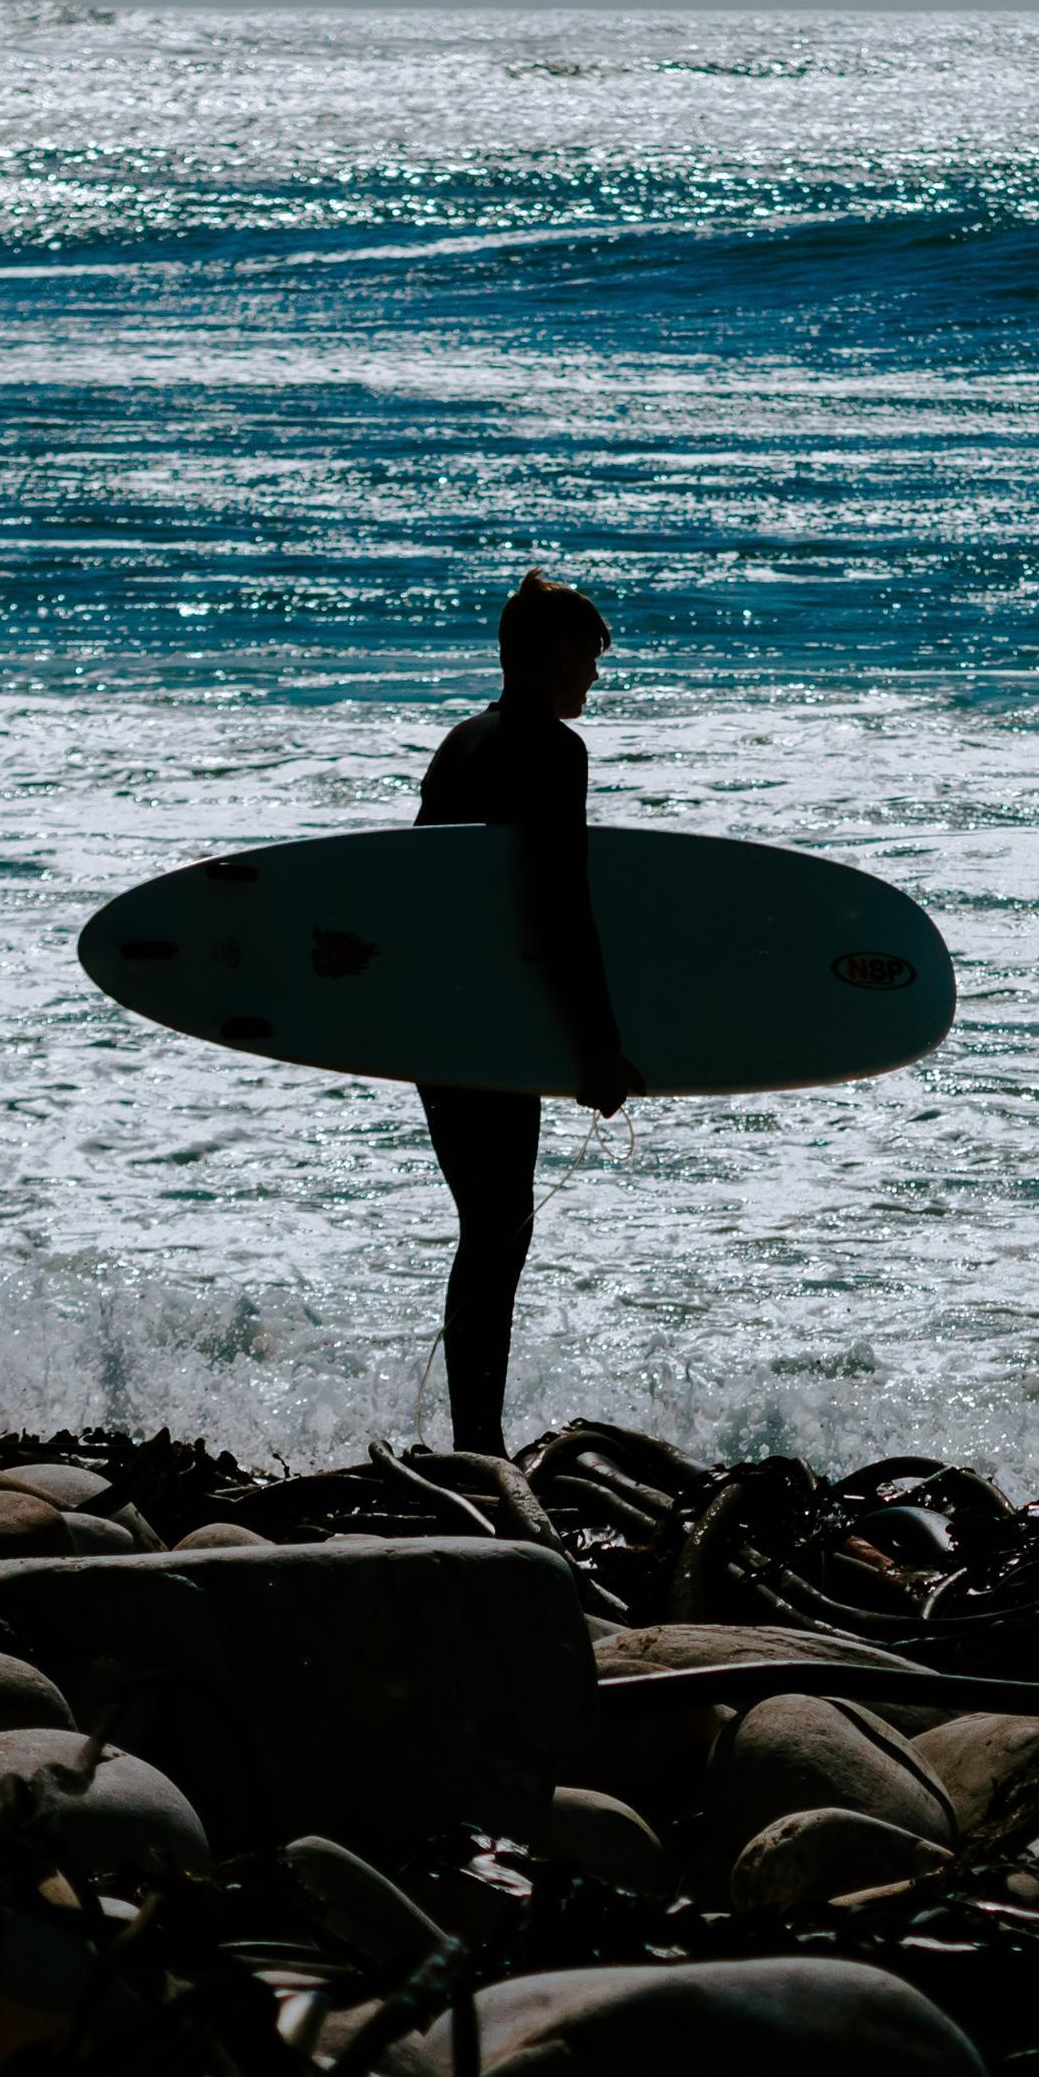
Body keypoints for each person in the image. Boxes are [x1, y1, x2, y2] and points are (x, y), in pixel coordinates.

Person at [413, 571, 642, 1454]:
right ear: (550, 656)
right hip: (491, 1028)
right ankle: (478, 1441)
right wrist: (599, 1048)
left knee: (489, 1220)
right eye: (588, 657)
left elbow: (427, 894)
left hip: (438, 1017)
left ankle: (478, 1431)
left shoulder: (461, 742)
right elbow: (559, 909)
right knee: (499, 1223)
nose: (594, 676)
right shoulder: (552, 752)